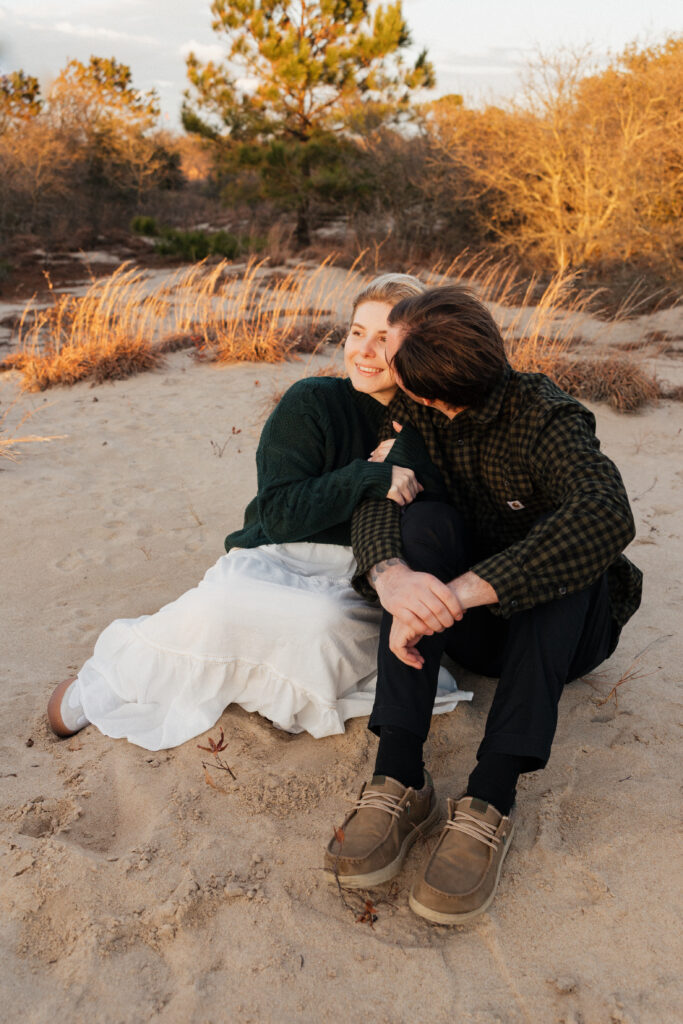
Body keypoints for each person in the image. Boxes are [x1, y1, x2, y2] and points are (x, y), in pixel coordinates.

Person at [324, 283, 642, 924]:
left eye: (392, 351)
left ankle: (491, 797)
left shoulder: (548, 418)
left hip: (565, 635)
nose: (379, 357)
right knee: (422, 522)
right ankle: (399, 776)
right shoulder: (412, 413)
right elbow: (381, 495)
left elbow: (607, 513)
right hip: (469, 630)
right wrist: (393, 578)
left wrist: (460, 590)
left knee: (568, 551)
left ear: (430, 392)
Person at [47, 274, 469, 749]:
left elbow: (446, 511)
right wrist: (367, 476)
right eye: (356, 333)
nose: (365, 351)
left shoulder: (434, 418)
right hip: (276, 556)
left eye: (384, 338)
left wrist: (409, 454)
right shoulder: (312, 401)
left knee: (321, 622)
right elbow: (279, 513)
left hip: (360, 575)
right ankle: (111, 681)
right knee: (218, 607)